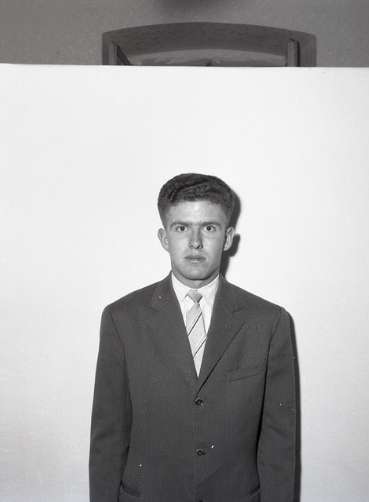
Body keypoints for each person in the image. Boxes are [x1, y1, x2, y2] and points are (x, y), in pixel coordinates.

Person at [89, 173, 299, 502]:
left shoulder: (269, 322)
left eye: (209, 228)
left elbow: (279, 444)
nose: (196, 242)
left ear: (228, 238)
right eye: (182, 228)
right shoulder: (122, 319)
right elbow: (108, 438)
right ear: (164, 237)